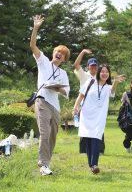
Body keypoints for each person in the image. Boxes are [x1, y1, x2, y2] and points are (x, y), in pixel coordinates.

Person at [30, 15, 70, 176]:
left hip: (55, 107)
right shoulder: (44, 61)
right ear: (53, 53)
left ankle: (46, 163)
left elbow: (66, 92)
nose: (58, 54)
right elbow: (33, 45)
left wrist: (57, 88)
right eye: (57, 52)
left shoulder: (63, 73)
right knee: (45, 133)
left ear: (64, 59)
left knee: (52, 137)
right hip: (42, 101)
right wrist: (36, 28)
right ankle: (43, 164)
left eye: (62, 54)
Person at [73, 64, 125, 174]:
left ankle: (95, 163)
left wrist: (115, 81)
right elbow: (81, 96)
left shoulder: (108, 87)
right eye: (102, 71)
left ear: (109, 74)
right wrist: (75, 107)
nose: (104, 73)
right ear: (98, 73)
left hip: (99, 117)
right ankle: (91, 164)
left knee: (97, 137)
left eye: (107, 72)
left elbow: (112, 92)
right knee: (87, 138)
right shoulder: (90, 82)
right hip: (86, 115)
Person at [73, 49, 105, 154]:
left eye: (95, 66)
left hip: (97, 106)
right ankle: (83, 150)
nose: (93, 67)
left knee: (99, 127)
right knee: (84, 128)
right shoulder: (84, 75)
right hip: (85, 106)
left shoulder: (100, 77)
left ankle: (100, 150)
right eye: (91, 66)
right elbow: (76, 64)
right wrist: (82, 52)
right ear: (88, 67)